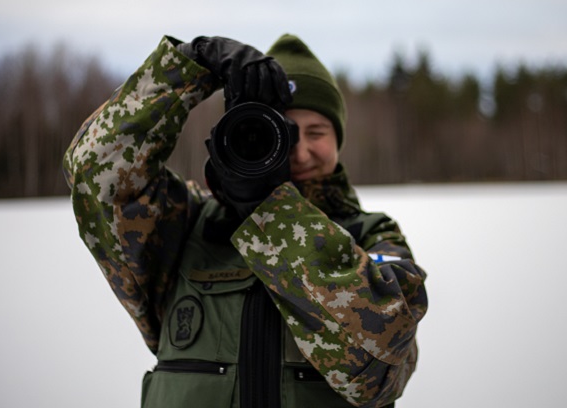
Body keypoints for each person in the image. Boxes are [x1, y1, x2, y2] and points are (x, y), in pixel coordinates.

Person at [63, 33, 428, 408]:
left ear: (339, 140)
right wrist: (188, 68)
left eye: (316, 132)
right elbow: (95, 175)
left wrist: (267, 210)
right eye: (281, 132)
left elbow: (378, 365)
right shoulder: (188, 223)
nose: (299, 150)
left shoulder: (371, 234)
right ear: (240, 134)